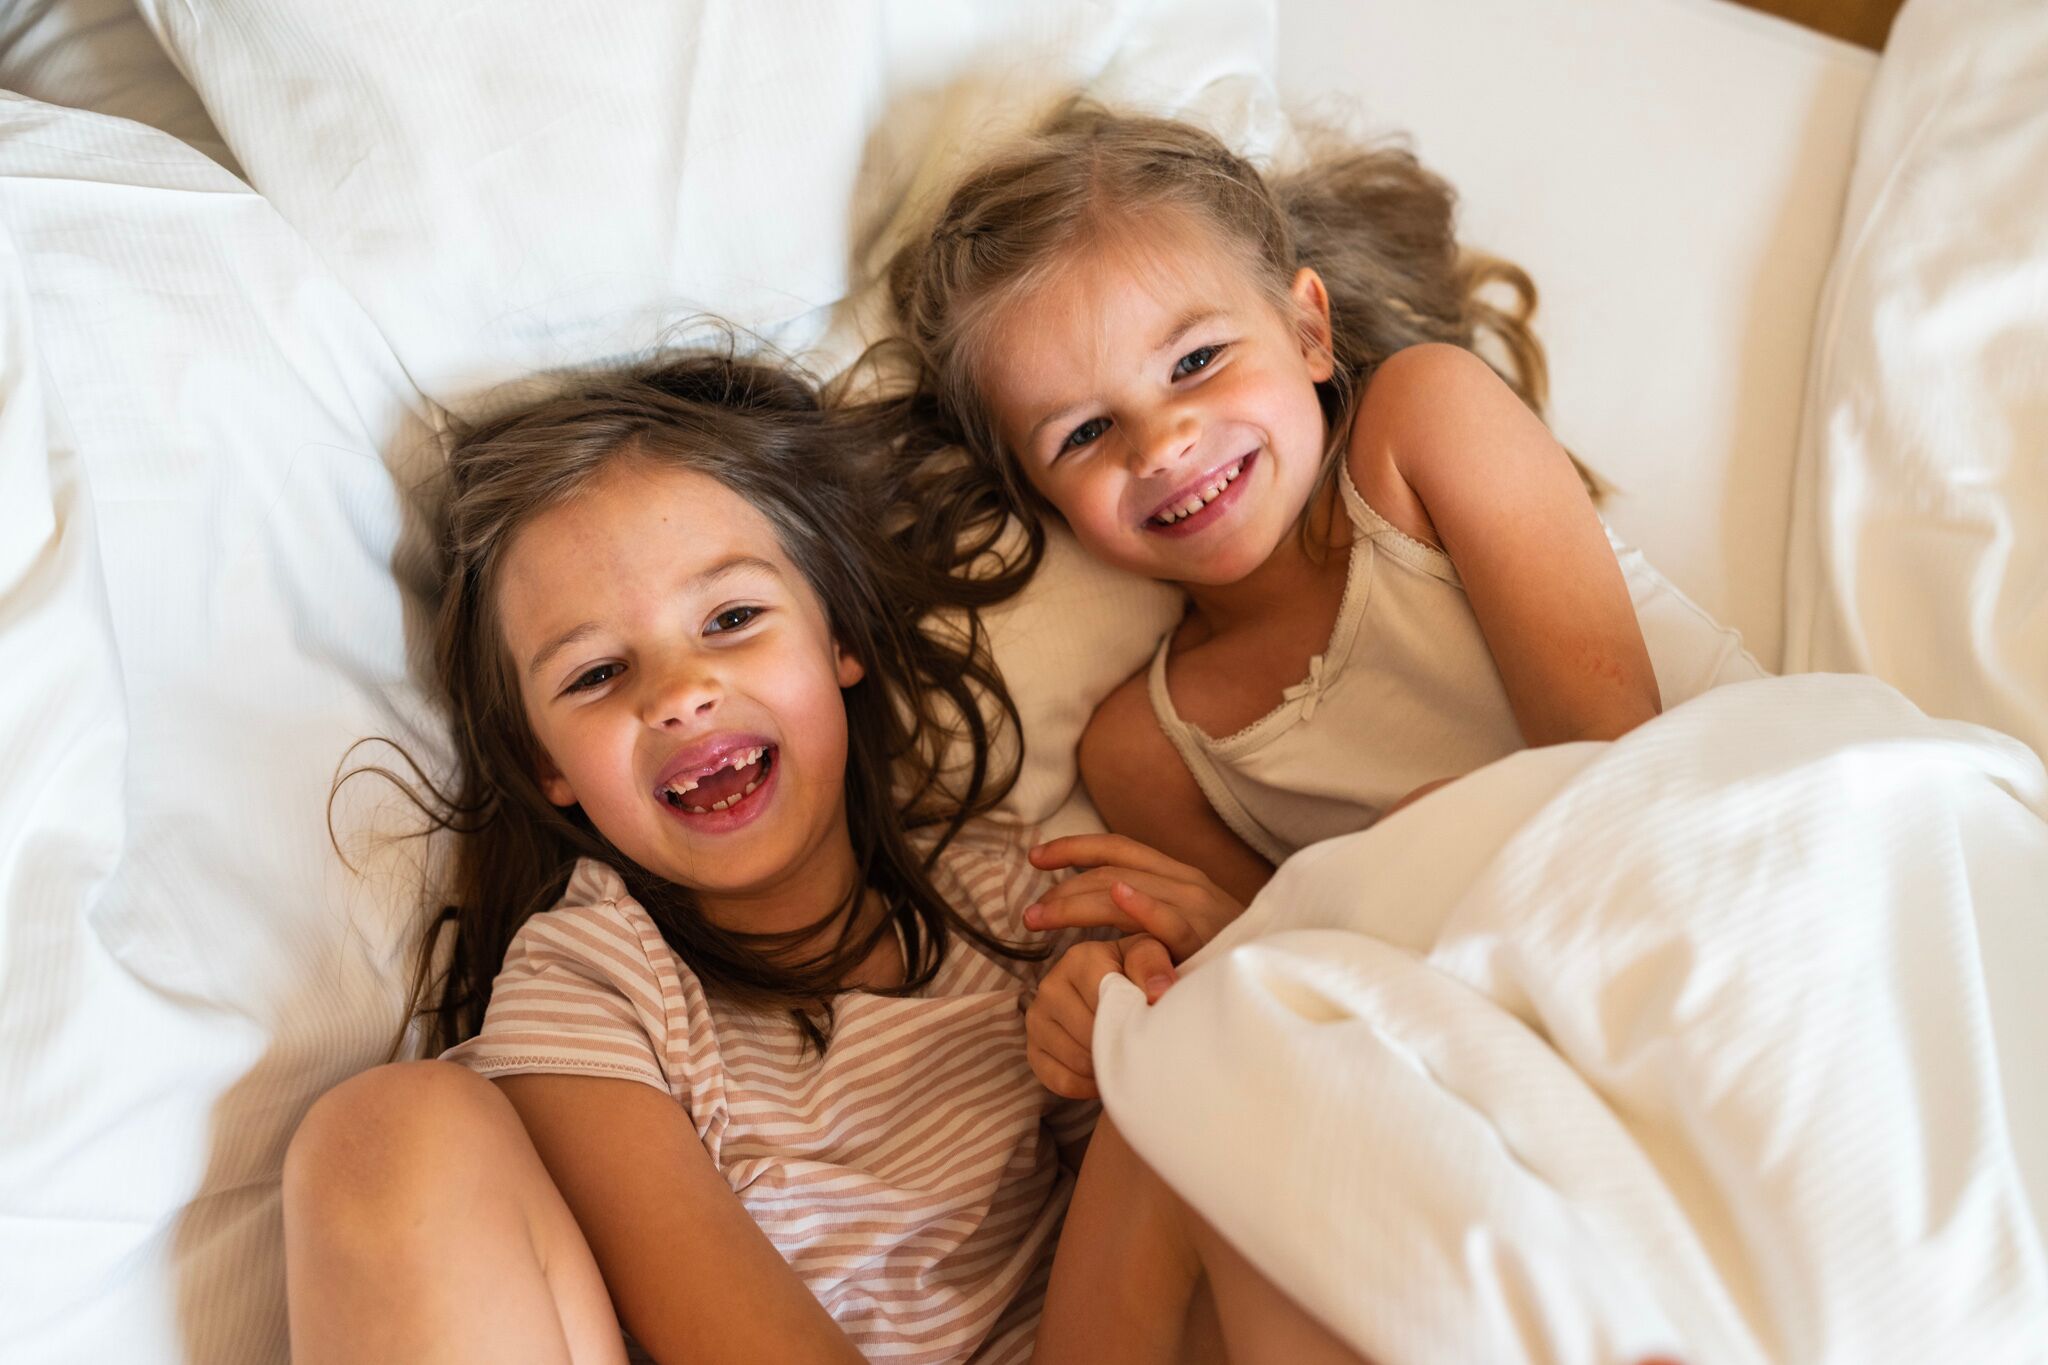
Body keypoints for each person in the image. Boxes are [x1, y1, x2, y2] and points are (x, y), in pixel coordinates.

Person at [279, 353, 1356, 1364]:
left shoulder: (1013, 899)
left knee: (1214, 1049)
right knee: (385, 1133)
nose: (679, 692)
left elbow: (1166, 1228)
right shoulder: (596, 986)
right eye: (597, 675)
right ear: (544, 763)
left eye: (733, 617)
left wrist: (1185, 987)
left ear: (837, 638)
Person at [888, 103, 1664, 1090]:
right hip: (1487, 1046)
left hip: (1678, 885)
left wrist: (1397, 868)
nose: (1161, 442)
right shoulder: (1144, 750)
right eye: (1082, 434)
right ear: (1034, 496)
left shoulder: (1422, 424)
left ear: (1305, 328)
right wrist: (1163, 971)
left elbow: (1619, 769)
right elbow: (1296, 995)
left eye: (1195, 361)